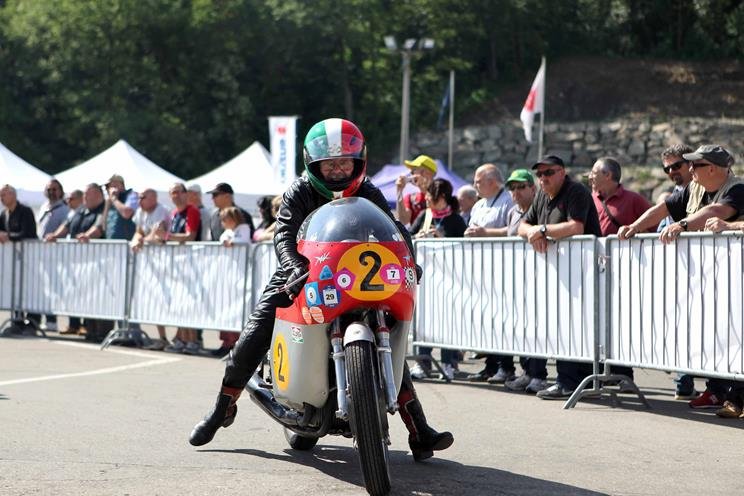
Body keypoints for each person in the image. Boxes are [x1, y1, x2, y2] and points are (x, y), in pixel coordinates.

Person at [189, 118, 453, 462]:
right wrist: (293, 266)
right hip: (303, 270)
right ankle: (223, 407)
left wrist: (409, 261)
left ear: (358, 162)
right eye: (329, 164)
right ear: (314, 165)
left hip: (353, 274)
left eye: (344, 162)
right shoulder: (299, 190)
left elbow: (394, 230)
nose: (338, 170)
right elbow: (284, 233)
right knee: (256, 329)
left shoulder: (368, 190)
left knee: (387, 336)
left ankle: (418, 427)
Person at [617, 144, 744, 409]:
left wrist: (682, 224)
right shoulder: (693, 188)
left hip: (735, 277)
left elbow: (716, 212)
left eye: (695, 164)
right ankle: (716, 390)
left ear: (712, 168)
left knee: (735, 336)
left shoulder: (737, 189)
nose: (690, 169)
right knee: (712, 334)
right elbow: (663, 208)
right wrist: (634, 227)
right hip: (709, 278)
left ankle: (737, 397)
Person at [518, 155, 602, 400]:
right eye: (540, 174)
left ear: (562, 172)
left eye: (549, 172)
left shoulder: (576, 191)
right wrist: (534, 232)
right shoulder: (542, 196)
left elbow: (576, 226)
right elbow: (522, 226)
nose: (543, 178)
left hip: (584, 271)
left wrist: (542, 230)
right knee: (562, 325)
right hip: (560, 275)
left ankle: (569, 382)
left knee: (574, 326)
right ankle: (574, 382)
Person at [588, 157, 652, 390]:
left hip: (624, 274)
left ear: (608, 175)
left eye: (594, 172)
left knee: (621, 323)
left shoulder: (633, 200)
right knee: (596, 321)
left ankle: (624, 374)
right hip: (593, 272)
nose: (590, 176)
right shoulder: (590, 199)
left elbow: (654, 228)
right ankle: (598, 372)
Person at [495, 169, 550, 394]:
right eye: (512, 188)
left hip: (538, 277)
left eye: (521, 187)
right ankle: (527, 371)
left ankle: (538, 375)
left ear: (532, 188)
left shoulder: (540, 210)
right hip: (516, 279)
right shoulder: (512, 213)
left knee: (536, 326)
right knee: (521, 327)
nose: (515, 192)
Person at [408, 178, 467, 380]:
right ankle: (422, 363)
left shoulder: (456, 220)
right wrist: (418, 237)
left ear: (441, 197)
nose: (426, 198)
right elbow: (408, 235)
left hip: (450, 280)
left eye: (429, 195)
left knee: (447, 322)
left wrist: (442, 238)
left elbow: (466, 246)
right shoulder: (425, 215)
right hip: (426, 280)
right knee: (424, 320)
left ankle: (448, 363)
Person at [463, 163, 515, 384]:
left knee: (503, 319)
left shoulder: (508, 201)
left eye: (478, 181)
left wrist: (486, 233)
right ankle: (490, 366)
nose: (474, 185)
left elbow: (513, 229)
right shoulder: (478, 205)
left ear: (492, 182)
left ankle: (506, 367)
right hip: (482, 270)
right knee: (487, 320)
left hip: (503, 268)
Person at [45, 183, 107, 340]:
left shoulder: (103, 209)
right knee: (75, 292)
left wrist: (87, 236)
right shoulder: (80, 210)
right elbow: (66, 225)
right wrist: (55, 235)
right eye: (84, 194)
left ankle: (89, 326)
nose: (85, 197)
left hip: (95, 261)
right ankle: (75, 324)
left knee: (91, 294)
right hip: (76, 261)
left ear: (98, 195)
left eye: (88, 194)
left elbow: (99, 227)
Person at [162, 183, 202, 354]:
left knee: (189, 302)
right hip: (178, 263)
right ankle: (182, 338)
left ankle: (192, 340)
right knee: (180, 301)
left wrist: (166, 236)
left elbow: (190, 236)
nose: (176, 195)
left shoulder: (192, 211)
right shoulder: (173, 214)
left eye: (179, 192)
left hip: (191, 262)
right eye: (173, 193)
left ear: (186, 194)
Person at [130, 189, 171, 350]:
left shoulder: (161, 211)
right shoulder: (140, 212)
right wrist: (137, 240)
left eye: (143, 197)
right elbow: (138, 232)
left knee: (168, 298)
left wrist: (142, 240)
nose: (140, 200)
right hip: (152, 262)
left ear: (153, 198)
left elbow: (157, 235)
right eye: (139, 197)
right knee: (156, 297)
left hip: (166, 260)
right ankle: (162, 337)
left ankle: (185, 339)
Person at [0, 184, 39, 333]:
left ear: (13, 195)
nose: (1, 198)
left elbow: (27, 233)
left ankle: (33, 322)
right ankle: (17, 320)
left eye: (4, 195)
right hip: (14, 260)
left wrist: (8, 236)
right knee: (15, 288)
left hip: (30, 258)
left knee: (31, 289)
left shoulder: (25, 211)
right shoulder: (4, 214)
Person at [37, 179, 70, 332]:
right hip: (41, 254)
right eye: (49, 189)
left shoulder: (64, 209)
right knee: (43, 287)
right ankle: (44, 318)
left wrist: (55, 236)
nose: (51, 192)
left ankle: (53, 320)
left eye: (55, 189)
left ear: (61, 191)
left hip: (56, 255)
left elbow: (66, 228)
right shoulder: (44, 206)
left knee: (55, 288)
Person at [395, 154, 437, 226]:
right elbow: (403, 221)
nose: (411, 175)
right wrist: (399, 191)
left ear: (426, 172)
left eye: (413, 171)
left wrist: (425, 187)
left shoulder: (441, 195)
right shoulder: (410, 198)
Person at [103, 174, 137, 240]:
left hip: (126, 243)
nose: (108, 189)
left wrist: (114, 199)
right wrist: (107, 205)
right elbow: (104, 227)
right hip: (111, 242)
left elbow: (127, 213)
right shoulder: (111, 200)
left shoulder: (131, 195)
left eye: (110, 186)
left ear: (120, 184)